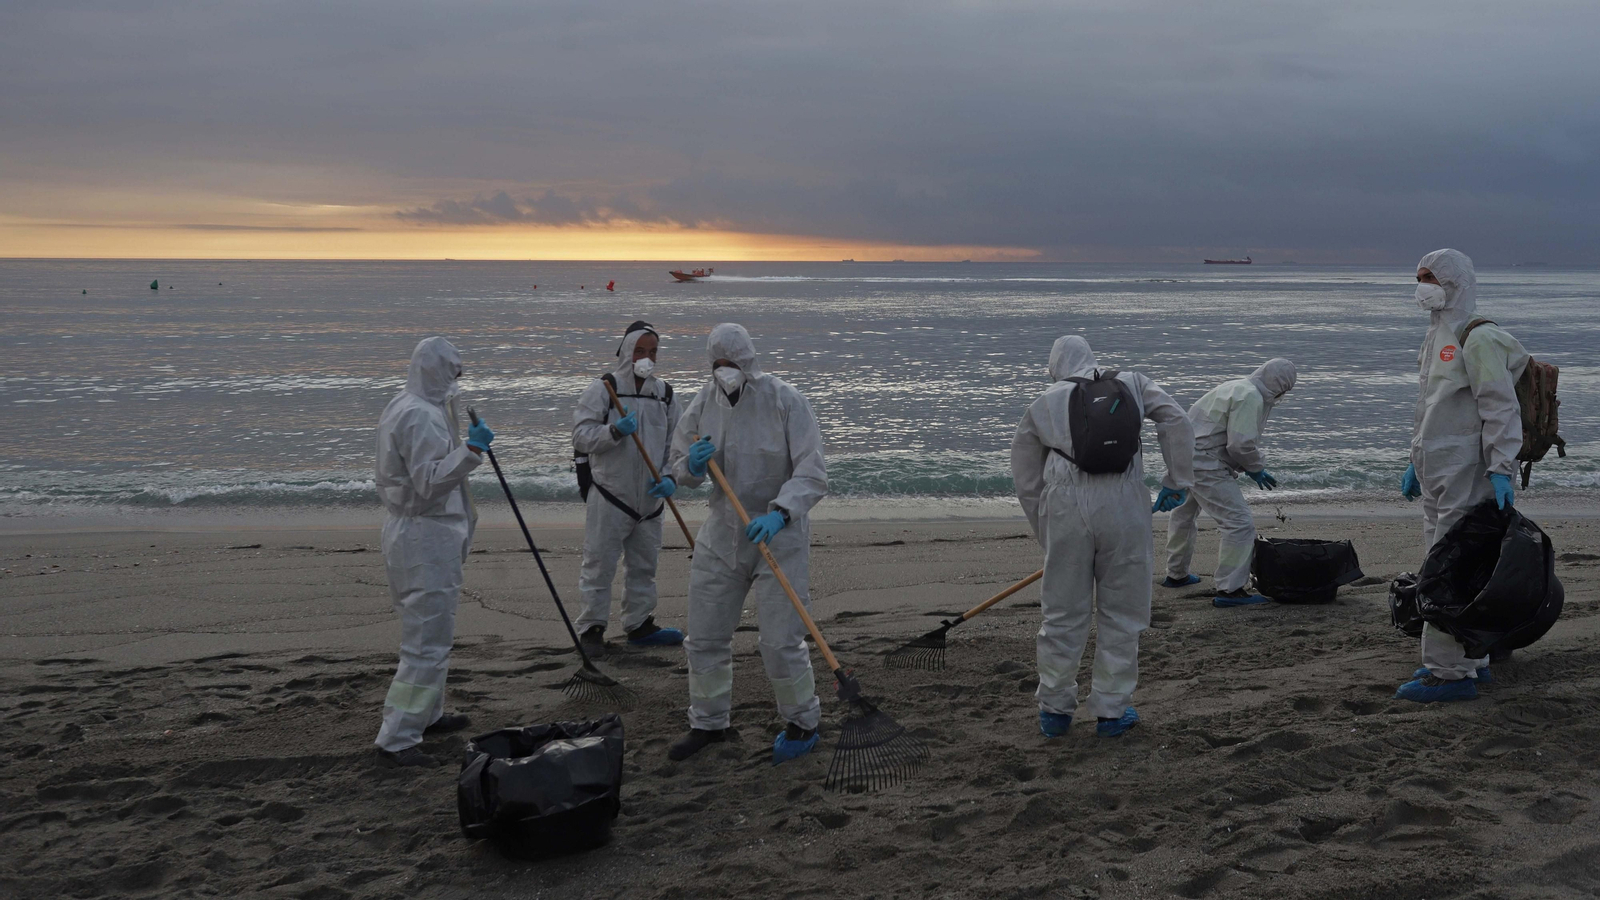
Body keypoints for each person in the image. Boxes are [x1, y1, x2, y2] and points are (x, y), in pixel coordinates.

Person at [1012, 336, 1195, 739]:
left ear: (1055, 365)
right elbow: (1177, 420)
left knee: (1062, 613)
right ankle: (1112, 711)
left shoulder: (1044, 402)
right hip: (1125, 501)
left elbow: (1026, 482)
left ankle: (1055, 712)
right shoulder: (1132, 382)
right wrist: (1177, 478)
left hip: (1065, 507)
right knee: (1122, 611)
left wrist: (1048, 536)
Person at [662, 324, 828, 765]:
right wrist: (688, 467)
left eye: (732, 365)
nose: (725, 373)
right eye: (718, 365)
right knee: (705, 636)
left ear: (748, 362)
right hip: (723, 529)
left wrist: (780, 512)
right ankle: (709, 723)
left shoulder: (785, 400)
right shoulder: (704, 402)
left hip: (780, 530)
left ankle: (802, 721)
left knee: (780, 639)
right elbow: (682, 464)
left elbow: (812, 472)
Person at [1395, 249, 1527, 703]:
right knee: (1451, 561)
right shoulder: (1435, 337)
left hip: (1467, 468)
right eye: (1418, 276)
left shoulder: (1479, 337)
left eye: (1430, 276)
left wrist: (1501, 468)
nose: (1422, 284)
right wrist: (1416, 460)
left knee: (1447, 568)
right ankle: (1472, 662)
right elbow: (1430, 406)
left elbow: (1500, 408)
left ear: (1454, 281)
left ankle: (1448, 673)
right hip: (1438, 467)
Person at [372, 337, 495, 768]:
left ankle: (429, 713)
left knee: (435, 633)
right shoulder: (419, 416)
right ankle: (398, 737)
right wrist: (472, 451)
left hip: (427, 534)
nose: (458, 382)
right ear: (437, 371)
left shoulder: (413, 406)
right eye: (454, 373)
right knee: (425, 641)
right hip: (424, 536)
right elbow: (427, 484)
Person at [571, 321, 685, 659]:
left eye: (652, 352)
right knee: (599, 564)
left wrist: (670, 477)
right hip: (610, 494)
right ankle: (591, 628)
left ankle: (639, 625)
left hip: (650, 500)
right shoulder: (604, 389)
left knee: (644, 566)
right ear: (626, 351)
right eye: (640, 351)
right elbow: (581, 437)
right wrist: (614, 432)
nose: (646, 357)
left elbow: (674, 444)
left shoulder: (664, 393)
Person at [1162, 359, 1298, 608]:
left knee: (1184, 515)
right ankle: (1230, 589)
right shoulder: (1252, 397)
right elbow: (1240, 444)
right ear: (1281, 387)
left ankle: (1176, 573)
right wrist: (1256, 468)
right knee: (1239, 524)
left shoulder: (1234, 387)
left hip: (1185, 456)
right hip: (1206, 465)